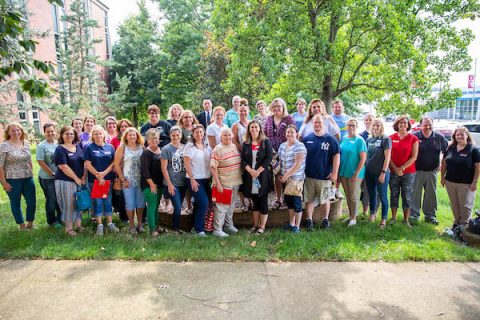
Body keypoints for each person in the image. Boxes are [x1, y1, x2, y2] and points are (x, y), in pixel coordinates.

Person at [303, 115, 340, 231]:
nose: (317, 124)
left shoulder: (330, 139)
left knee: (325, 200)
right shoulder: (307, 139)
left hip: (325, 177)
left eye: (319, 122)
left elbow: (336, 156)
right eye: (315, 122)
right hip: (309, 176)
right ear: (312, 123)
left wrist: (334, 173)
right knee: (308, 199)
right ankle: (309, 221)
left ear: (323, 123)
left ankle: (325, 220)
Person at [410, 117, 448, 225]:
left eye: (429, 124)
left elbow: (447, 151)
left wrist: (441, 162)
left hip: (432, 171)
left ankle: (430, 215)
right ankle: (414, 214)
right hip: (417, 171)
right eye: (425, 124)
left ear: (433, 125)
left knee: (431, 194)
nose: (427, 126)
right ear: (420, 125)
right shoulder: (415, 136)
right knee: (415, 193)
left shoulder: (439, 137)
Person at [441, 126, 480, 229]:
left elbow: (477, 167)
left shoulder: (473, 149)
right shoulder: (451, 147)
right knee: (454, 204)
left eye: (462, 134)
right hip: (450, 182)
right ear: (454, 136)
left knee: (465, 206)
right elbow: (444, 162)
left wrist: (474, 182)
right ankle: (456, 223)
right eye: (457, 134)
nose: (460, 136)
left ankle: (465, 226)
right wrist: (442, 177)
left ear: (467, 135)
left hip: (466, 184)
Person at [0, 122, 36, 230]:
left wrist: (31, 172)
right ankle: (21, 225)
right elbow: (0, 165)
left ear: (21, 131)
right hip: (12, 178)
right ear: (8, 133)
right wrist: (3, 182)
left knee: (31, 201)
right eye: (13, 130)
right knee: (15, 202)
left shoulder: (26, 143)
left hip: (27, 177)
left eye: (18, 130)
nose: (16, 132)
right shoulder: (3, 146)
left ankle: (30, 223)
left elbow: (29, 159)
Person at [84, 125, 119, 236]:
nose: (98, 135)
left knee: (108, 201)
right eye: (96, 134)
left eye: (100, 133)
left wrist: (104, 174)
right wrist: (98, 175)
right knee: (98, 202)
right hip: (96, 180)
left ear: (104, 134)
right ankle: (100, 225)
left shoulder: (110, 147)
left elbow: (113, 162)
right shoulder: (90, 148)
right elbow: (87, 164)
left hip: (108, 179)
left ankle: (109, 223)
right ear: (92, 136)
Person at [241, 120, 273, 234]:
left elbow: (269, 158)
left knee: (262, 200)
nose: (254, 129)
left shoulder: (265, 142)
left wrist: (258, 171)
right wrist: (250, 170)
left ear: (260, 129)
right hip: (250, 176)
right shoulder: (246, 143)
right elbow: (243, 160)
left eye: (256, 127)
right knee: (254, 202)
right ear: (249, 129)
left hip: (262, 176)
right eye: (252, 127)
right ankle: (255, 225)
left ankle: (262, 227)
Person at [53, 126, 85, 236]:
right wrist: (76, 179)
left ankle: (79, 225)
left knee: (79, 202)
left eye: (71, 134)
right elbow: (63, 166)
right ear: (62, 135)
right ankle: (69, 228)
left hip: (79, 181)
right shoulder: (60, 149)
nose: (69, 135)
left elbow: (84, 162)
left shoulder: (77, 146)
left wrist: (83, 177)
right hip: (65, 181)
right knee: (68, 204)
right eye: (67, 133)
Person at [264, 97, 295, 209]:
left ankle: (288, 198)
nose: (277, 108)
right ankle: (278, 199)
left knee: (287, 174)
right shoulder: (268, 119)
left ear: (283, 107)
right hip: (272, 153)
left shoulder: (288, 119)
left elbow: (294, 133)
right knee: (277, 175)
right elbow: (264, 135)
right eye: (274, 106)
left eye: (279, 106)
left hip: (286, 150)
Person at [210, 128, 242, 238]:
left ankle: (228, 225)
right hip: (223, 182)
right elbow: (213, 167)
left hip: (235, 181)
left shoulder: (234, 146)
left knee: (231, 205)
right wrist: (218, 183)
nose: (227, 137)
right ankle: (217, 229)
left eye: (229, 135)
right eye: (225, 135)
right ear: (220, 137)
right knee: (221, 206)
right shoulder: (217, 149)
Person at [389, 115, 419, 227]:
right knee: (394, 194)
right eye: (400, 122)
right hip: (393, 171)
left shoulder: (413, 139)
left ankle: (406, 220)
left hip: (408, 172)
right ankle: (393, 218)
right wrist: (395, 168)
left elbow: (414, 157)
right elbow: (388, 156)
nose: (402, 125)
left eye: (405, 123)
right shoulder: (391, 138)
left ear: (408, 125)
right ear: (397, 124)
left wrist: (401, 168)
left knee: (407, 195)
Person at [115, 127, 146, 234]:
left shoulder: (142, 147)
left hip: (141, 180)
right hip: (128, 180)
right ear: (126, 137)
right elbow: (116, 165)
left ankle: (140, 224)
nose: (132, 136)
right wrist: (123, 180)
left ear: (137, 136)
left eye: (134, 134)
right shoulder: (122, 147)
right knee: (130, 204)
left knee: (141, 203)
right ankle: (132, 225)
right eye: (130, 135)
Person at [278, 125, 307, 233]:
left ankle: (297, 226)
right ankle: (291, 223)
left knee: (296, 204)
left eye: (292, 132)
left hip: (296, 179)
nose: (289, 134)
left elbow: (297, 165)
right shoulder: (282, 146)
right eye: (288, 132)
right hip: (285, 179)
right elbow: (280, 161)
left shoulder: (299, 146)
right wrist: (280, 174)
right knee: (289, 203)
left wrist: (286, 176)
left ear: (296, 134)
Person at [184, 124, 212, 237]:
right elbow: (186, 164)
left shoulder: (207, 146)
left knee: (199, 204)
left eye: (201, 132)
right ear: (193, 134)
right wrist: (192, 179)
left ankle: (193, 226)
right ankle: (199, 229)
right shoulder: (190, 146)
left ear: (204, 133)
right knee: (204, 203)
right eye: (197, 132)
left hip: (206, 179)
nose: (199, 134)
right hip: (195, 179)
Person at [339, 119, 367, 227]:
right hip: (344, 172)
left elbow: (363, 159)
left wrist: (356, 174)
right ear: (346, 126)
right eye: (349, 125)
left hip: (355, 173)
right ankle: (351, 216)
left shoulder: (360, 140)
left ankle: (354, 218)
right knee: (347, 195)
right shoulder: (344, 138)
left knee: (353, 196)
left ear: (357, 127)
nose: (351, 127)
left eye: (353, 125)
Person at [365, 119, 392, 228]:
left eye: (378, 125)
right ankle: (372, 215)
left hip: (381, 173)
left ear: (381, 127)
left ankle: (384, 219)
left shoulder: (386, 139)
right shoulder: (369, 139)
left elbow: (387, 157)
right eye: (374, 125)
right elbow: (367, 156)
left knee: (383, 196)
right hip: (369, 172)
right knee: (371, 194)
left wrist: (383, 172)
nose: (376, 127)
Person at [161, 126, 187, 233]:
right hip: (172, 182)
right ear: (170, 136)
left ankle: (178, 226)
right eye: (173, 135)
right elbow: (164, 168)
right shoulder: (166, 149)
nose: (176, 137)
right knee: (177, 206)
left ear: (181, 135)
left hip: (183, 182)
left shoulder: (185, 147)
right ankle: (176, 228)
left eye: (177, 135)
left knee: (179, 206)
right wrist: (169, 184)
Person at [36, 123, 62, 227]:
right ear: (44, 133)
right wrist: (52, 173)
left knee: (59, 198)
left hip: (59, 176)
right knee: (51, 199)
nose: (50, 133)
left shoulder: (58, 144)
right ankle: (52, 221)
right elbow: (40, 161)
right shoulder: (41, 146)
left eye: (52, 131)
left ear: (55, 132)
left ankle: (60, 218)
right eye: (48, 131)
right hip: (47, 178)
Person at [140, 129, 164, 236]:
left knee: (156, 205)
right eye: (151, 138)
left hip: (160, 183)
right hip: (149, 184)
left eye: (156, 138)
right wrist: (151, 184)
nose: (154, 140)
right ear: (147, 140)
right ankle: (152, 229)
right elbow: (145, 171)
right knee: (152, 206)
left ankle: (156, 225)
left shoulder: (160, 151)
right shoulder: (146, 153)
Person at [110, 118, 132, 223]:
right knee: (122, 194)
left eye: (126, 126)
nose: (124, 128)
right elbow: (113, 156)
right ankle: (124, 217)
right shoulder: (115, 140)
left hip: (132, 170)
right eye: (122, 126)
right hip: (120, 169)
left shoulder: (133, 138)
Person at [359, 113, 374, 215]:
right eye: (366, 120)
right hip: (362, 166)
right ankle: (363, 210)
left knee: (371, 189)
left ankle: (370, 211)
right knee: (362, 188)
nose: (368, 122)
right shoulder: (360, 135)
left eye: (370, 119)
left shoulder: (378, 135)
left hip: (373, 166)